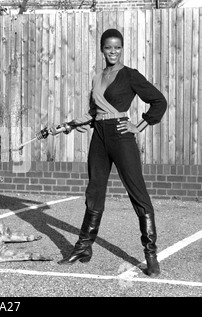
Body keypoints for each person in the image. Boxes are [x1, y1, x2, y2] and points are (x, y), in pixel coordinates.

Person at [57, 29, 167, 278]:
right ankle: (83, 247)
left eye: (117, 47)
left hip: (121, 136)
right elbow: (94, 112)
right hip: (99, 137)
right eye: (108, 47)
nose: (113, 51)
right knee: (94, 190)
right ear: (102, 49)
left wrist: (138, 126)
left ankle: (151, 254)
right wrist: (70, 124)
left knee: (137, 191)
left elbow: (159, 101)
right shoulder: (97, 78)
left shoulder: (130, 75)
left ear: (122, 48)